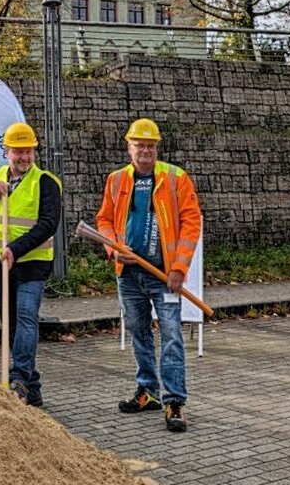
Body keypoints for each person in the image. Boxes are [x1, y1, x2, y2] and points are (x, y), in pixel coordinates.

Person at [95, 118, 202, 433]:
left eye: (150, 146)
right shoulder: (116, 180)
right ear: (129, 147)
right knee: (139, 332)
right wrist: (113, 249)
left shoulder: (175, 178)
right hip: (129, 274)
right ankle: (147, 391)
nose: (144, 151)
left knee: (171, 336)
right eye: (139, 145)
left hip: (163, 274)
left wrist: (179, 268)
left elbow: (191, 222)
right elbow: (104, 220)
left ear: (157, 148)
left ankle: (174, 401)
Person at [0, 123, 61, 407]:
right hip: (0, 267)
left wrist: (15, 249)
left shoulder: (46, 182)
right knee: (10, 323)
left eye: (28, 151)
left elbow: (47, 224)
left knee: (26, 319)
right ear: (6, 152)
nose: (24, 157)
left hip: (31, 265)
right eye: (18, 151)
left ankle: (18, 377)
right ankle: (32, 386)